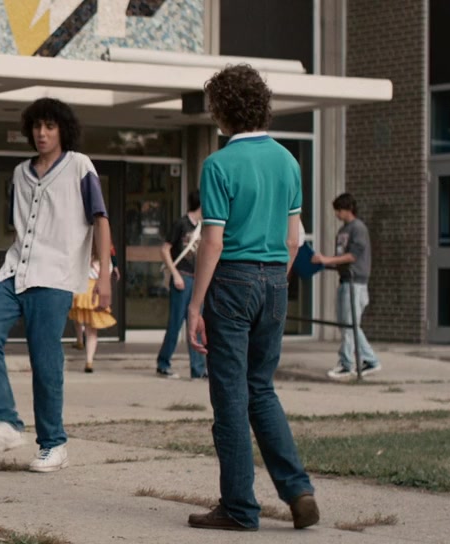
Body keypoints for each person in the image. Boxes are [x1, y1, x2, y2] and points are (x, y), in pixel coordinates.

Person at [185, 65, 318, 531]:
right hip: (276, 280)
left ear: (222, 111)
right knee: (261, 389)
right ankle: (298, 491)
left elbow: (213, 241)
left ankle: (239, 508)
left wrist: (196, 305)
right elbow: (295, 239)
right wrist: (272, 280)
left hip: (232, 281)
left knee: (230, 397)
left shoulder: (219, 164)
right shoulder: (288, 161)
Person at [0, 97, 113, 474]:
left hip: (55, 276)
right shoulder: (20, 172)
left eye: (50, 126)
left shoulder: (80, 166)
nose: (42, 133)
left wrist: (104, 276)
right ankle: (4, 422)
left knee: (45, 360)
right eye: (36, 126)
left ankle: (53, 444)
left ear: (63, 129)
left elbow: (100, 219)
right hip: (15, 271)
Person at [313, 193, 380, 379]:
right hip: (345, 280)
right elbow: (342, 256)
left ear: (348, 209)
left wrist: (326, 259)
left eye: (339, 210)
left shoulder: (358, 228)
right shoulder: (344, 230)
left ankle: (347, 363)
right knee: (347, 325)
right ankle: (369, 360)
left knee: (350, 325)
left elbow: (352, 256)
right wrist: (327, 262)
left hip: (355, 283)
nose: (337, 214)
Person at [155, 190, 206, 380]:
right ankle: (163, 363)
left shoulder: (203, 227)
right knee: (175, 324)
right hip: (182, 277)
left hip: (196, 279)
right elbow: (165, 249)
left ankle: (198, 369)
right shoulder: (181, 224)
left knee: (197, 323)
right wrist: (175, 274)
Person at [70, 250, 118, 373]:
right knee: (92, 331)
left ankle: (80, 340)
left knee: (77, 317)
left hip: (82, 291)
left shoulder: (83, 256)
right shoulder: (106, 262)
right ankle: (89, 361)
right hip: (95, 295)